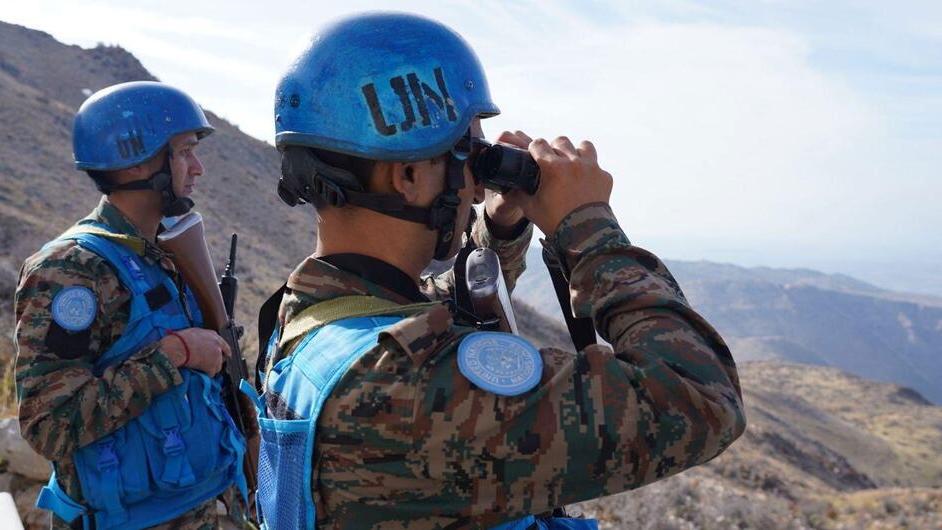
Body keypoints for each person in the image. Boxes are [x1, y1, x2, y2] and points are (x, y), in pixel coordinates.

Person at [248, 12, 746, 529]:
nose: (475, 185)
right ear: (409, 175)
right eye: (469, 155)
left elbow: (427, 314)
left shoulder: (307, 315)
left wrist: (500, 227)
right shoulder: (406, 391)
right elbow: (700, 396)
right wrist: (588, 226)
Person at [14, 81, 248, 530]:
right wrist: (175, 354)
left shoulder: (159, 255)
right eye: (185, 152)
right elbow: (51, 425)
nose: (198, 168)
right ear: (138, 159)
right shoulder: (71, 270)